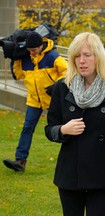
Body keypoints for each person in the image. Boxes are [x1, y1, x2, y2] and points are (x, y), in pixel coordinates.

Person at [44, 32, 105, 216]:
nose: (81, 61)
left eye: (87, 55)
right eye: (76, 56)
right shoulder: (62, 87)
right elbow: (49, 128)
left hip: (102, 175)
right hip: (69, 175)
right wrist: (63, 130)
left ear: (98, 57)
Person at [3, 31, 67, 172]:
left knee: (66, 129)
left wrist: (56, 86)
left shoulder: (53, 57)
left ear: (40, 46)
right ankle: (20, 161)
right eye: (28, 50)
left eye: (33, 50)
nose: (31, 53)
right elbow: (17, 75)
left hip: (53, 100)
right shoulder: (26, 58)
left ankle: (73, 160)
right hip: (33, 100)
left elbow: (67, 72)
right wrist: (15, 57)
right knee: (27, 128)